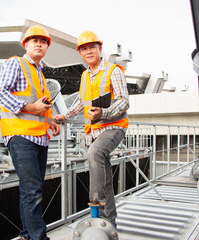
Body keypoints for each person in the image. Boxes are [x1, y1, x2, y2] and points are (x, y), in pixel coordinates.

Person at [54, 31, 129, 226]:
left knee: (94, 153)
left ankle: (96, 206)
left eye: (91, 47)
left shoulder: (114, 71)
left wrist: (104, 113)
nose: (88, 51)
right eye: (84, 49)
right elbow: (82, 101)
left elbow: (124, 101)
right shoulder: (86, 75)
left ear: (99, 49)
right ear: (80, 52)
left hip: (114, 126)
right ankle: (110, 219)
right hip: (95, 131)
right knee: (104, 175)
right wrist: (66, 115)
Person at [0, 25, 60, 240]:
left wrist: (49, 120)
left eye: (43, 42)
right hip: (21, 135)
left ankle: (26, 234)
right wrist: (30, 108)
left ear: (47, 47)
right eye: (34, 41)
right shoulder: (16, 63)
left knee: (33, 190)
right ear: (26, 45)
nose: (39, 44)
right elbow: (0, 93)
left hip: (39, 137)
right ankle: (39, 237)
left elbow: (39, 105)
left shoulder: (40, 73)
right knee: (32, 191)